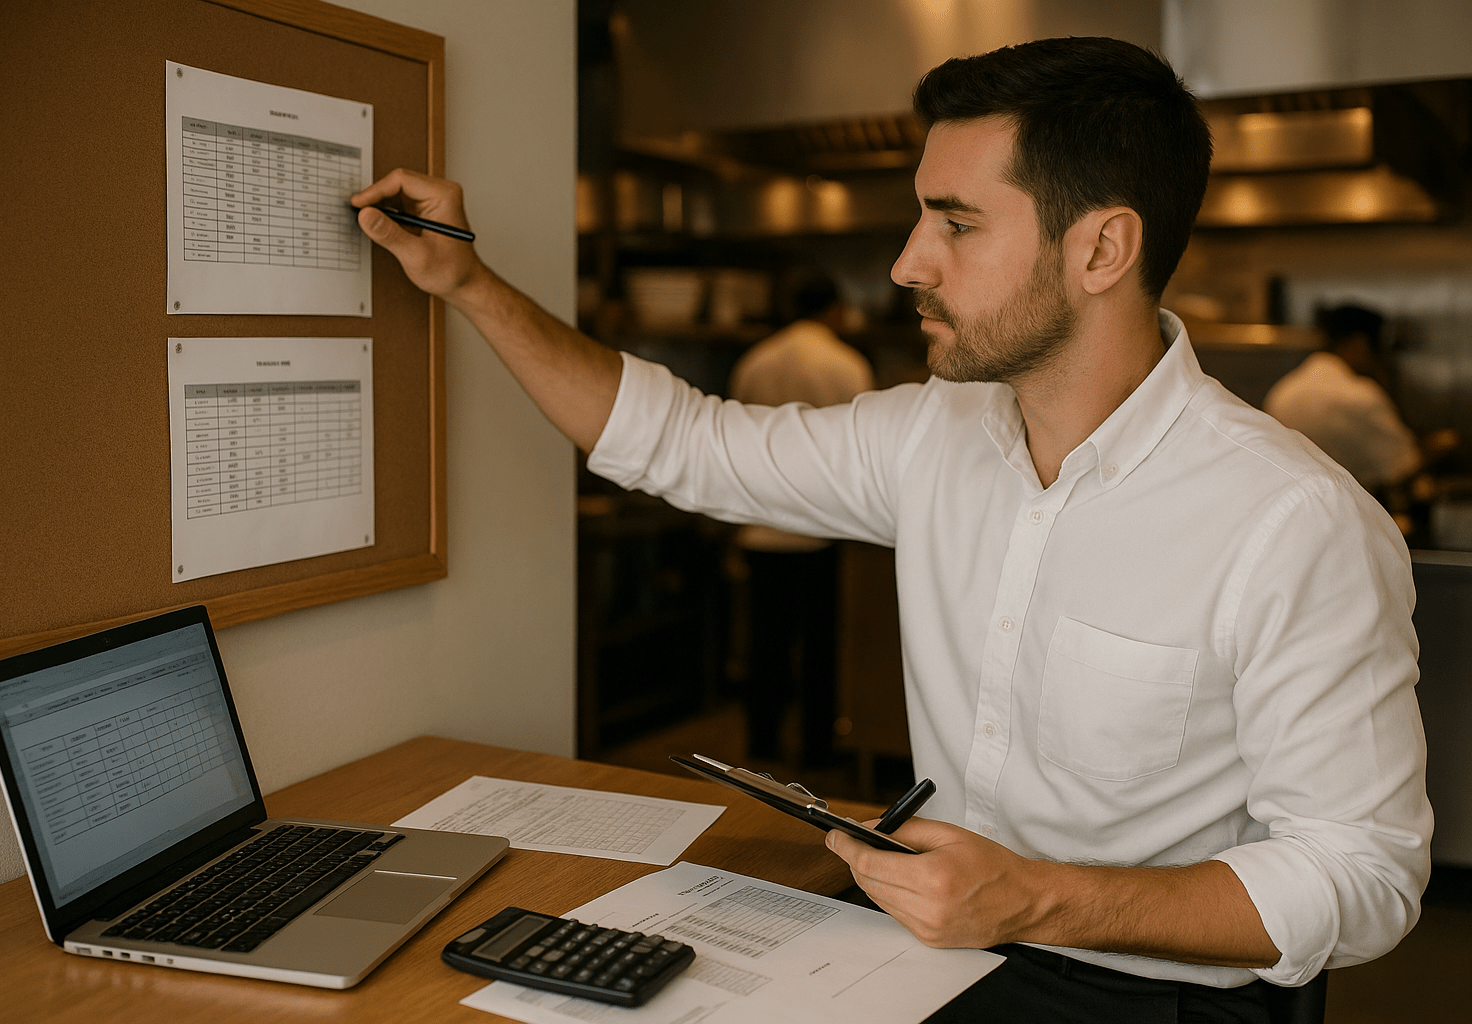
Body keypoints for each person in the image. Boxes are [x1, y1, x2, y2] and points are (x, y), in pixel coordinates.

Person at [352, 36, 1429, 1023]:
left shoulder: (1295, 522)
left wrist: (1036, 898)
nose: (910, 260)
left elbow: (1363, 876)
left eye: (956, 222)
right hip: (929, 947)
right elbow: (683, 442)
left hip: (1157, 997)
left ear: (1103, 248)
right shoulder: (933, 435)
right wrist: (468, 283)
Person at [728, 269, 875, 766]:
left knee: (765, 644)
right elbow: (863, 451)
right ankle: (817, 749)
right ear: (833, 310)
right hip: (821, 529)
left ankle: (761, 742)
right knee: (821, 647)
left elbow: (737, 445)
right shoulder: (847, 364)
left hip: (762, 527)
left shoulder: (756, 361)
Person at [1264, 304, 1422, 490]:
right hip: (1347, 508)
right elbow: (1404, 468)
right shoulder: (1360, 395)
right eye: (1378, 350)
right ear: (1360, 343)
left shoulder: (1282, 391)